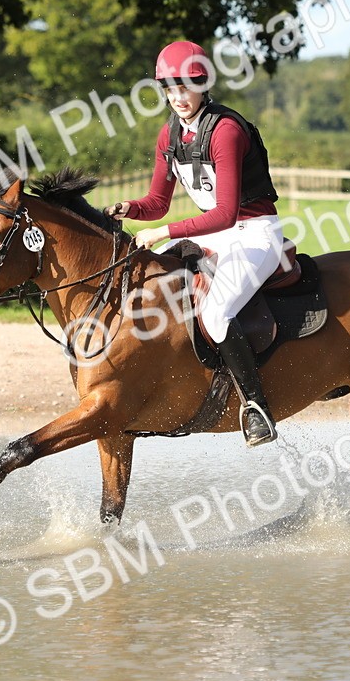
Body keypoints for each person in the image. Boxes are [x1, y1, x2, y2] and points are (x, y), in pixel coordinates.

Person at [105, 40, 284, 446]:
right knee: (147, 280)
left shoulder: (226, 131)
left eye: (187, 87)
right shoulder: (169, 135)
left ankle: (256, 408)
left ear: (204, 85)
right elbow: (156, 203)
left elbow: (225, 214)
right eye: (170, 89)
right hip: (215, 234)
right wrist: (126, 208)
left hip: (254, 233)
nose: (178, 97)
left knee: (217, 311)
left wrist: (165, 232)